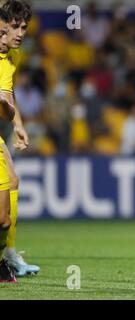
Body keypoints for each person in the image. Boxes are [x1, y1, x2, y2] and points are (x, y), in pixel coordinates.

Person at [0, 0, 40, 277]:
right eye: (14, 26)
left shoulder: (12, 57)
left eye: (23, 27)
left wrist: (18, 124)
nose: (20, 32)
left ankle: (9, 255)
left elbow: (7, 94)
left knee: (13, 181)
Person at [0, 6, 17, 283]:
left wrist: (5, 106)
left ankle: (5, 257)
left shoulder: (4, 64)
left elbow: (8, 111)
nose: (4, 40)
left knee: (3, 220)